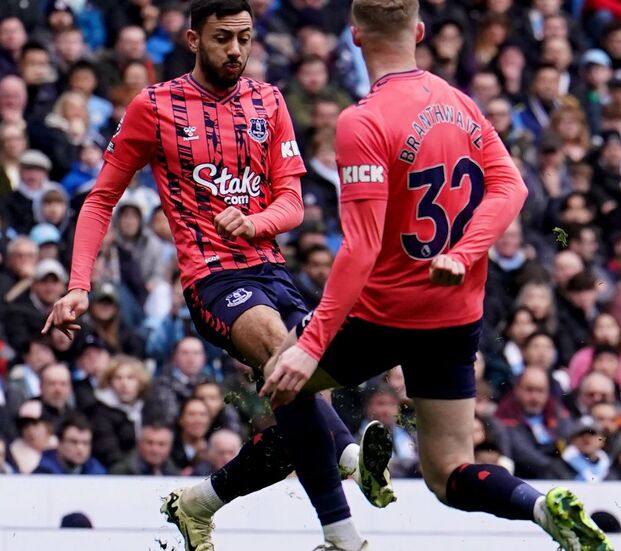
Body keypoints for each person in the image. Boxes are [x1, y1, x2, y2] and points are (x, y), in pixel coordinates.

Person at [258, 0, 612, 548]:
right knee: (449, 472)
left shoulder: (362, 120)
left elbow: (361, 247)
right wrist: (465, 252)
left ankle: (339, 524)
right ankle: (541, 507)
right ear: (420, 31)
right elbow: (511, 187)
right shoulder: (460, 102)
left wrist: (313, 343)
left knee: (285, 382)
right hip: (454, 314)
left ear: (354, 37)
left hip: (383, 313)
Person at [41, 2, 394, 550]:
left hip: (274, 272)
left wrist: (256, 221)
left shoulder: (269, 100)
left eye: (245, 38)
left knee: (292, 418)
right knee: (288, 357)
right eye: (223, 38)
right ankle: (342, 523)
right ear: (192, 39)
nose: (235, 50)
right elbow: (100, 199)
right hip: (214, 280)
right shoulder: (154, 107)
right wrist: (79, 284)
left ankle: (199, 503)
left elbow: (293, 203)